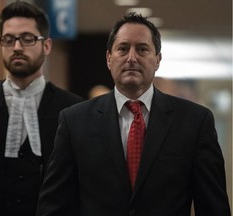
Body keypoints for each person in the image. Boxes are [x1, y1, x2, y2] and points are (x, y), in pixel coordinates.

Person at [36, 13, 231, 216]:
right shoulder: (74, 121)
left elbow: (213, 207)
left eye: (142, 49)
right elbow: (54, 206)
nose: (131, 58)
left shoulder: (195, 122)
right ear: (109, 58)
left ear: (157, 60)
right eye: (122, 49)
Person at [0, 1, 83, 216]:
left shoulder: (73, 110)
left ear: (46, 45)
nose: (17, 47)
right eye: (9, 39)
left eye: (27, 39)